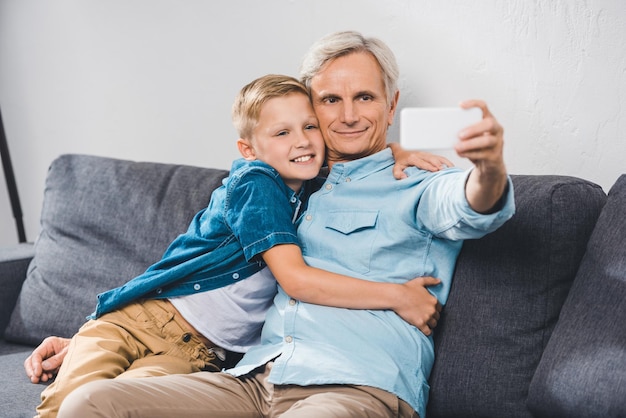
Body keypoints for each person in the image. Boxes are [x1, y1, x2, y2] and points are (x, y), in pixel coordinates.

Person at [30, 73, 447, 418]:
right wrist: (395, 296)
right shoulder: (257, 182)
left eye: (309, 127)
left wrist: (394, 149)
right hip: (142, 320)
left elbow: (351, 158)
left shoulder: (311, 187)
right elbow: (295, 280)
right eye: (282, 132)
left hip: (198, 354)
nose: (301, 141)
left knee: (126, 403)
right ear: (250, 150)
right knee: (66, 403)